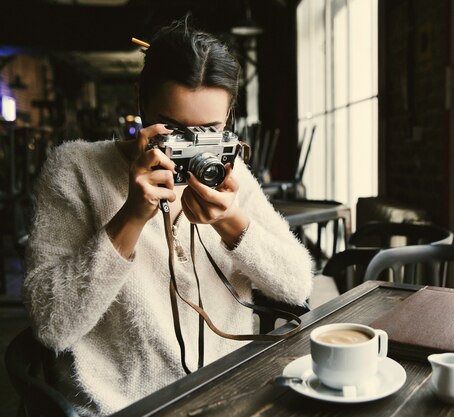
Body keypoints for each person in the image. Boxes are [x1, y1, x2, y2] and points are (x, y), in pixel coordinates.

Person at [23, 17, 313, 416]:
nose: (191, 148)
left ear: (229, 116)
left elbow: (297, 285)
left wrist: (232, 223)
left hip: (230, 388)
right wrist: (130, 218)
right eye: (173, 128)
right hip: (121, 400)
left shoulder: (232, 171)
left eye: (210, 129)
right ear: (140, 100)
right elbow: (52, 325)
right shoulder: (74, 169)